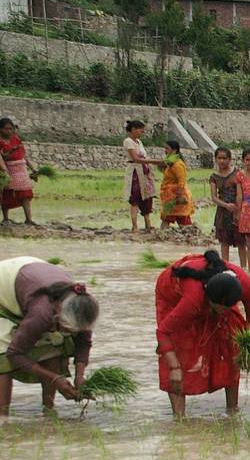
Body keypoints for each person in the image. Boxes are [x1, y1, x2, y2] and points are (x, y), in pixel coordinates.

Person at [154, 250, 250, 419]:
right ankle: (179, 419)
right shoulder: (193, 301)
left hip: (214, 294)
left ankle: (233, 412)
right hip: (173, 293)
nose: (222, 313)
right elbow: (164, 332)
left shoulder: (245, 285)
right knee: (182, 345)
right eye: (218, 309)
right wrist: (174, 366)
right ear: (208, 300)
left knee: (230, 342)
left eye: (227, 309)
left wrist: (246, 345)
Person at [0, 257, 98, 416]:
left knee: (54, 348)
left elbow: (84, 342)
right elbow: (14, 353)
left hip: (31, 273)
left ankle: (48, 411)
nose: (74, 332)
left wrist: (80, 376)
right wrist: (55, 379)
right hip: (5, 283)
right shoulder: (42, 313)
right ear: (60, 316)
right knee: (2, 357)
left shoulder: (83, 306)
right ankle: (2, 420)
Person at [122, 120, 161, 232]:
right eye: (141, 130)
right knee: (135, 198)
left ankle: (148, 223)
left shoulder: (138, 142)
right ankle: (134, 226)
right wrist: (155, 161)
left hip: (144, 172)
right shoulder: (128, 141)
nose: (142, 133)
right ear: (133, 129)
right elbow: (136, 159)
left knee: (147, 197)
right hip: (135, 172)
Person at [209, 147, 245, 266]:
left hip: (237, 210)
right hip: (223, 212)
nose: (222, 161)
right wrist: (226, 205)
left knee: (241, 242)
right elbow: (214, 197)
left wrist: (237, 209)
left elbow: (242, 192)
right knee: (224, 242)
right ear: (215, 159)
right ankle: (225, 267)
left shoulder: (237, 173)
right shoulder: (214, 177)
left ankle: (245, 269)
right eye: (219, 158)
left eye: (224, 158)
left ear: (230, 160)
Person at [0, 118, 38, 224]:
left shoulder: (16, 139)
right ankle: (6, 218)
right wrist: (10, 152)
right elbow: (2, 158)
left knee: (25, 193)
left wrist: (33, 169)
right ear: (0, 129)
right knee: (7, 194)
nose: (8, 131)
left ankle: (28, 219)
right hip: (7, 169)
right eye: (6, 129)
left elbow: (23, 155)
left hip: (21, 169)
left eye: (10, 129)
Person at [158, 141, 193, 228]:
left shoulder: (177, 164)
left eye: (167, 148)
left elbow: (181, 182)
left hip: (176, 195)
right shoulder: (170, 162)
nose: (165, 151)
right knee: (168, 218)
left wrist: (179, 196)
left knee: (180, 219)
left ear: (174, 151)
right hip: (170, 196)